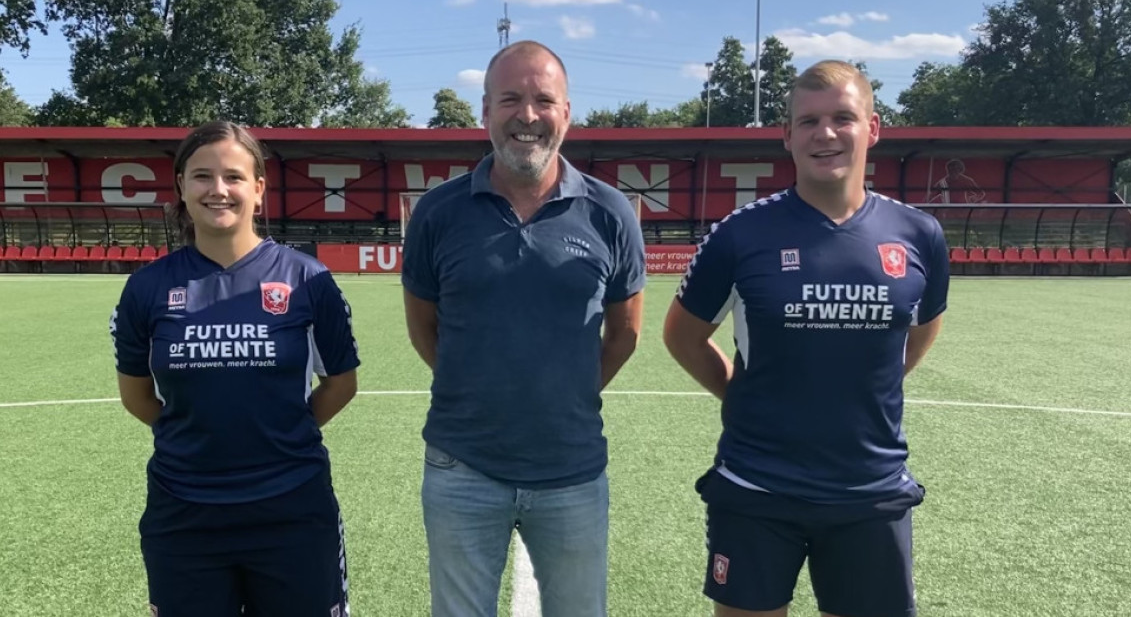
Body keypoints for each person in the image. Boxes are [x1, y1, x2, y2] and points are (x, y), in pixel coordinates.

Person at [662, 60, 950, 617]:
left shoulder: (919, 235)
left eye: (843, 117)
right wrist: (741, 397)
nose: (826, 134)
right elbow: (683, 338)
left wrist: (862, 387)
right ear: (787, 135)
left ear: (873, 127)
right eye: (809, 121)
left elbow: (920, 330)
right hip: (756, 486)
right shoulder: (740, 234)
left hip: (871, 489)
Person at [400, 40, 647, 617]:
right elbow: (422, 327)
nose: (527, 115)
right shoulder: (438, 213)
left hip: (573, 470)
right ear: (484, 111)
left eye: (544, 100)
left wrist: (567, 392)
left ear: (567, 113)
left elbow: (626, 334)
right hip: (461, 466)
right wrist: (477, 385)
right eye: (510, 99)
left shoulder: (611, 213)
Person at [109, 120, 360, 617]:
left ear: (259, 189)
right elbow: (137, 397)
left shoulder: (309, 281)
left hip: (292, 507)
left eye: (234, 177)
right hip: (184, 512)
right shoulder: (147, 288)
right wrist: (196, 438)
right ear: (181, 185)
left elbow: (341, 384)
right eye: (202, 176)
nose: (218, 190)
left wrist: (283, 436)